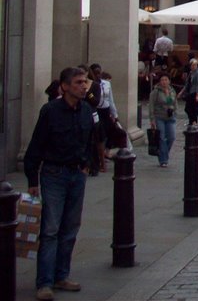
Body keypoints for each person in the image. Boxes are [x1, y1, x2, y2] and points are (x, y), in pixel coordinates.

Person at [23, 67, 95, 300]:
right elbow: (36, 145)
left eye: (85, 82)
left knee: (70, 228)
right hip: (54, 173)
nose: (83, 86)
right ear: (64, 86)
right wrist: (32, 178)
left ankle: (61, 275)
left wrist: (87, 164)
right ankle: (44, 282)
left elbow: (90, 139)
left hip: (77, 174)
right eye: (78, 82)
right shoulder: (50, 111)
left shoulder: (86, 110)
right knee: (51, 229)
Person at [149, 73, 178, 168]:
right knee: (161, 138)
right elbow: (151, 105)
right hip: (159, 117)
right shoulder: (156, 92)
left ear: (169, 81)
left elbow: (174, 102)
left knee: (171, 137)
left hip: (170, 117)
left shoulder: (172, 91)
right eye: (162, 80)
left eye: (166, 79)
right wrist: (152, 119)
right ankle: (163, 159)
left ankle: (163, 152)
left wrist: (175, 111)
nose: (164, 82)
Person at [178, 59, 198, 125]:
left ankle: (195, 120)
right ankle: (192, 121)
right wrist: (181, 92)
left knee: (190, 108)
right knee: (189, 108)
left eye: (195, 65)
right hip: (190, 92)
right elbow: (187, 84)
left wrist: (197, 94)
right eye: (192, 65)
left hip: (194, 93)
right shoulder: (191, 73)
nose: (194, 67)